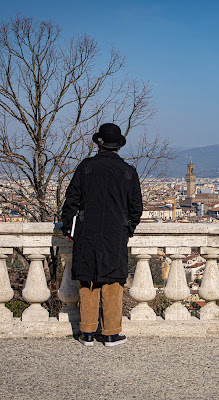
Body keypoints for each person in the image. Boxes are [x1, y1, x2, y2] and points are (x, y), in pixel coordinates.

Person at [61, 123, 143, 346]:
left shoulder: (85, 167)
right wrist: (127, 228)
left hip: (87, 232)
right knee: (112, 283)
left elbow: (70, 201)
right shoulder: (128, 172)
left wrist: (70, 228)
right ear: (118, 147)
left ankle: (87, 332)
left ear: (99, 144)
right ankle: (110, 332)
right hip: (115, 234)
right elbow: (136, 208)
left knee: (88, 282)